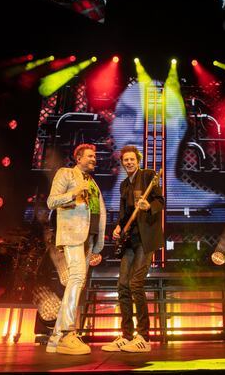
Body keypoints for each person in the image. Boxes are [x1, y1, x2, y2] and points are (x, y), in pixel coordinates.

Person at [101, 145, 165, 353]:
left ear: (138, 161)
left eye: (132, 159)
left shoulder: (148, 176)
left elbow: (160, 201)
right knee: (123, 285)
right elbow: (124, 212)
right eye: (125, 160)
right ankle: (127, 335)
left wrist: (149, 206)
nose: (129, 162)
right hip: (129, 240)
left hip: (145, 240)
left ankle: (143, 337)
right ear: (122, 163)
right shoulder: (124, 185)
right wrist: (118, 227)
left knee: (136, 283)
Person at [45, 143, 106, 355]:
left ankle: (56, 339)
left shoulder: (92, 182)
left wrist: (98, 242)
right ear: (78, 158)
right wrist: (73, 193)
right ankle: (66, 333)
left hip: (89, 238)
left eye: (95, 156)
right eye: (90, 156)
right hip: (72, 234)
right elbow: (51, 201)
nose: (94, 159)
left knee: (77, 283)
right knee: (77, 278)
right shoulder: (66, 173)